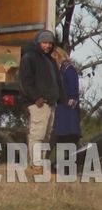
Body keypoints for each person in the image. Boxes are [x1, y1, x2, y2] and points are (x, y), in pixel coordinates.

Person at [19, 30, 64, 173]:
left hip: (51, 104)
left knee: (46, 136)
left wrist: (61, 99)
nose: (48, 46)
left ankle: (41, 165)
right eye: (44, 43)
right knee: (37, 134)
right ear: (38, 43)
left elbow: (57, 82)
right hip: (39, 103)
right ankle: (36, 165)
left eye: (50, 43)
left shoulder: (50, 60)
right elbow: (25, 81)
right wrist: (36, 97)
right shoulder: (29, 57)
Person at [50, 47, 81, 162]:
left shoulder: (68, 69)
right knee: (61, 137)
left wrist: (71, 101)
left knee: (68, 137)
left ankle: (71, 163)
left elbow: (73, 88)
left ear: (58, 56)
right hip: (63, 107)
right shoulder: (62, 69)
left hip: (68, 109)